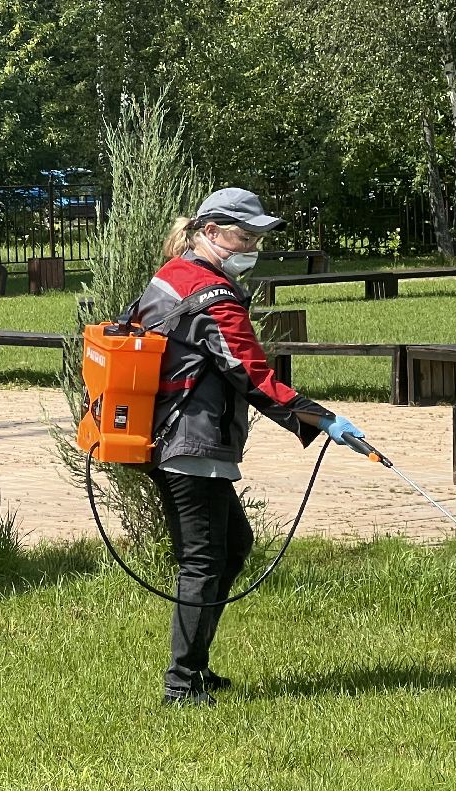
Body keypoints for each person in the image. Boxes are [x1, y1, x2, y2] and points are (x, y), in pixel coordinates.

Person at [132, 187, 364, 706]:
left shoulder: (173, 275)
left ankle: (195, 669)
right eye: (245, 235)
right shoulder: (211, 294)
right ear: (210, 233)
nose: (253, 245)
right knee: (203, 560)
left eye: (258, 236)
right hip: (190, 443)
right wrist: (322, 420)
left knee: (232, 546)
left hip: (172, 437)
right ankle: (182, 684)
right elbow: (251, 374)